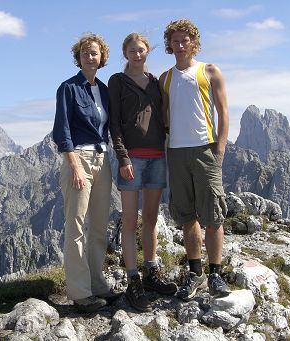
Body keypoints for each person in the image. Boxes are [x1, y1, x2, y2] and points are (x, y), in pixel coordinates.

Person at [159, 19, 231, 300]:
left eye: (184, 40)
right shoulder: (165, 78)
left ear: (193, 42)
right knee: (187, 215)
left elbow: (224, 113)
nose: (179, 45)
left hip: (205, 149)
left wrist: (220, 149)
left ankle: (216, 275)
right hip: (176, 151)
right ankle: (195, 273)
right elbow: (164, 115)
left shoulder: (209, 71)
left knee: (213, 215)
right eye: (175, 41)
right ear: (170, 44)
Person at [109, 33, 177, 312]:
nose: (137, 54)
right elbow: (114, 123)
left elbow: (165, 115)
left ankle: (151, 271)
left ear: (148, 52)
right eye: (132, 50)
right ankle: (133, 279)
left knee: (150, 218)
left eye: (141, 50)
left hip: (157, 156)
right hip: (132, 160)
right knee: (129, 221)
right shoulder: (117, 81)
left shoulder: (155, 82)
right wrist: (123, 157)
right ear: (125, 53)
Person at [53, 33, 120, 313]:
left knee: (99, 224)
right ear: (78, 58)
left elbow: (108, 128)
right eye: (84, 53)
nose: (89, 57)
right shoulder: (68, 88)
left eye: (94, 53)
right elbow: (62, 131)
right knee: (77, 226)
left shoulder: (103, 90)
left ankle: (97, 283)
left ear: (101, 57)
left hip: (102, 159)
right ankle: (80, 292)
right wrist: (75, 165)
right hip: (78, 159)